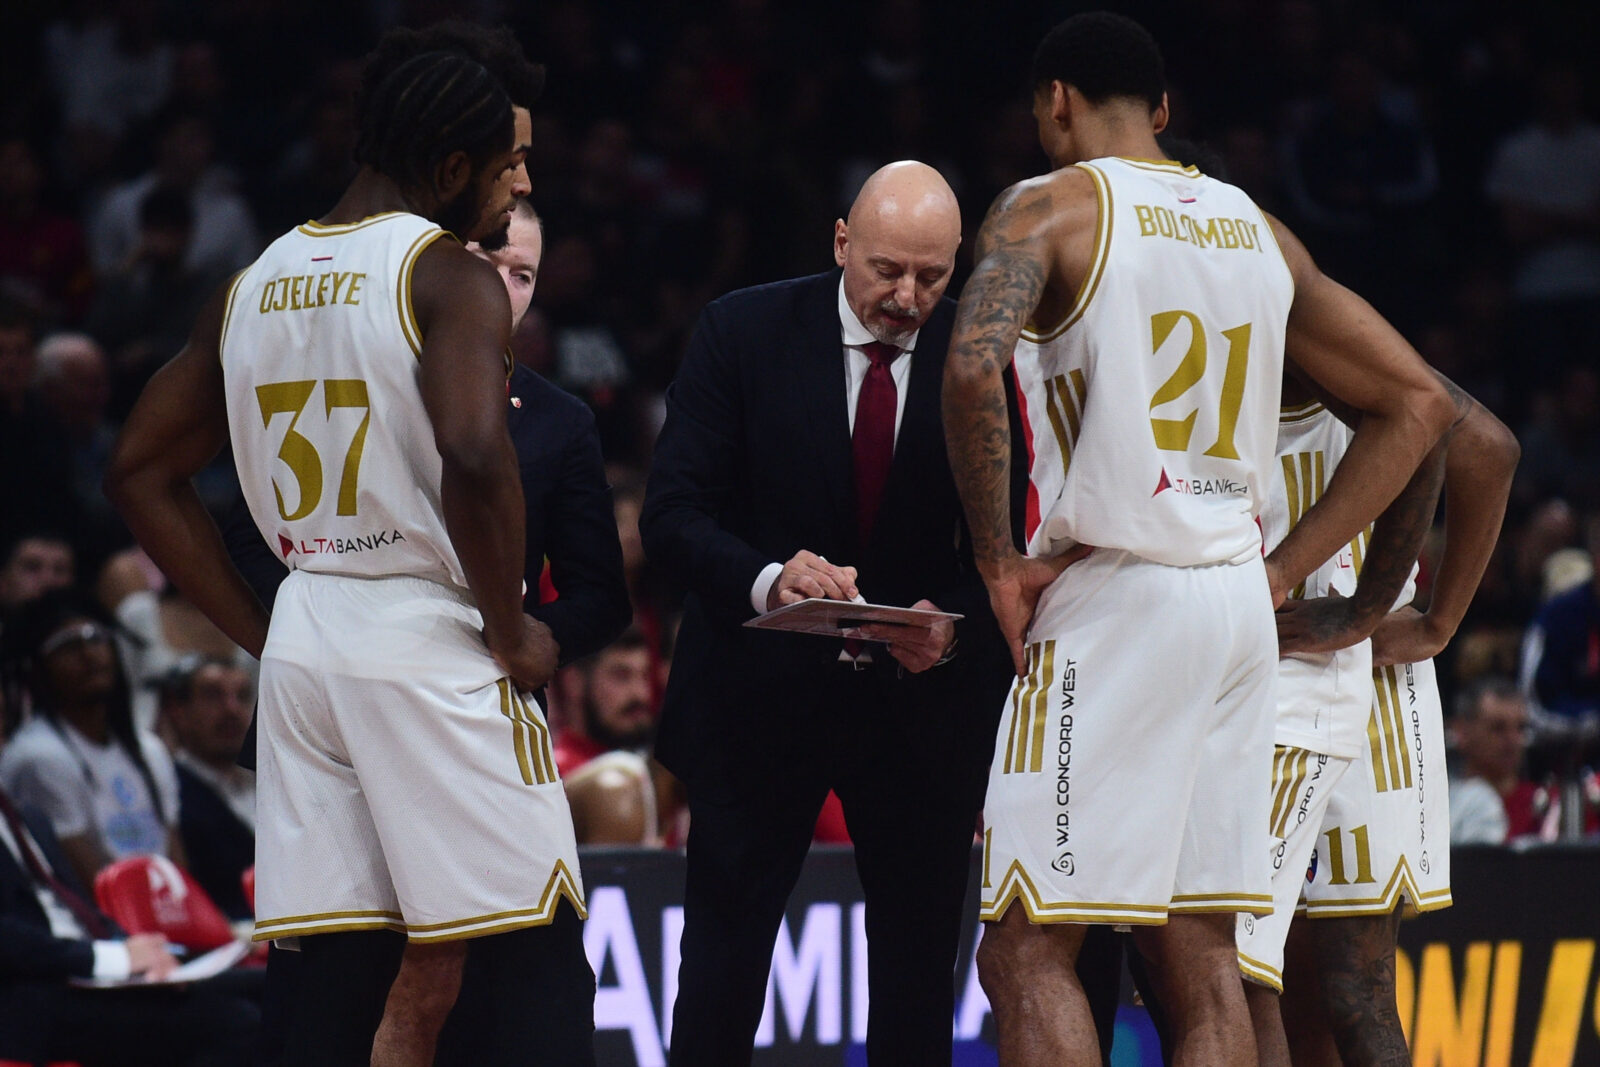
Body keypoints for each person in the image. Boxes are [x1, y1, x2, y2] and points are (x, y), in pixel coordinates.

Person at [940, 13, 1455, 1064]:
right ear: (1164, 112)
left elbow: (965, 368)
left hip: (1119, 592)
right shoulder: (1256, 227)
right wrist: (1303, 575)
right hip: (1234, 607)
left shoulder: (1049, 205)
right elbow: (1419, 403)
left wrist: (998, 560)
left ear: (1055, 102)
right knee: (1202, 946)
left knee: (1026, 946)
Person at [104, 42, 595, 1067]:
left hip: (309, 637)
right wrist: (511, 631)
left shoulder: (255, 279)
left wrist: (260, 625)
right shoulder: (446, 273)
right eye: (509, 162)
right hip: (427, 631)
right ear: (452, 170)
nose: (524, 181)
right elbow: (471, 445)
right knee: (534, 956)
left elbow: (141, 470)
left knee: (328, 976)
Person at [641, 160, 1017, 1064]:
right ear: (841, 240)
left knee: (920, 983)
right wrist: (771, 576)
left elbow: (1024, 545)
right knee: (722, 977)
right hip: (755, 701)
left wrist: (954, 619)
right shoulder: (743, 329)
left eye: (933, 275)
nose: (907, 294)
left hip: (924, 712)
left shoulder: (990, 356)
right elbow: (672, 516)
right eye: (887, 268)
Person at [1239, 373, 1516, 1066]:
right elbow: (1489, 444)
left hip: (1283, 663)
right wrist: (1436, 621)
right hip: (1381, 680)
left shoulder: (1272, 322)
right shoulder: (1367, 353)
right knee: (1356, 994)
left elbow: (1489, 447)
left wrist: (1391, 615)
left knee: (1231, 975)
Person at [0, 779, 260, 1066]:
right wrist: (112, 958)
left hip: (97, 976)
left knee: (271, 986)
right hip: (31, 997)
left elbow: (78, 906)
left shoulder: (28, 817)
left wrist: (137, 952)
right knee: (235, 1021)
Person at [0, 588, 183, 891]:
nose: (89, 653)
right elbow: (90, 883)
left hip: (165, 917)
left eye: (96, 637)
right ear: (39, 668)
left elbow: (177, 866)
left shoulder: (149, 748)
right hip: (107, 925)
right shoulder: (39, 755)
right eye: (68, 645)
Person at [159, 656, 256, 919]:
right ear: (178, 711)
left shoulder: (270, 782)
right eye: (213, 696)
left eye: (243, 696)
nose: (232, 709)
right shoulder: (170, 794)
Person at [552, 626, 662, 845]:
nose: (640, 694)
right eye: (621, 676)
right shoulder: (553, 777)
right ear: (574, 682)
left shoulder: (654, 773)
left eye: (644, 676)